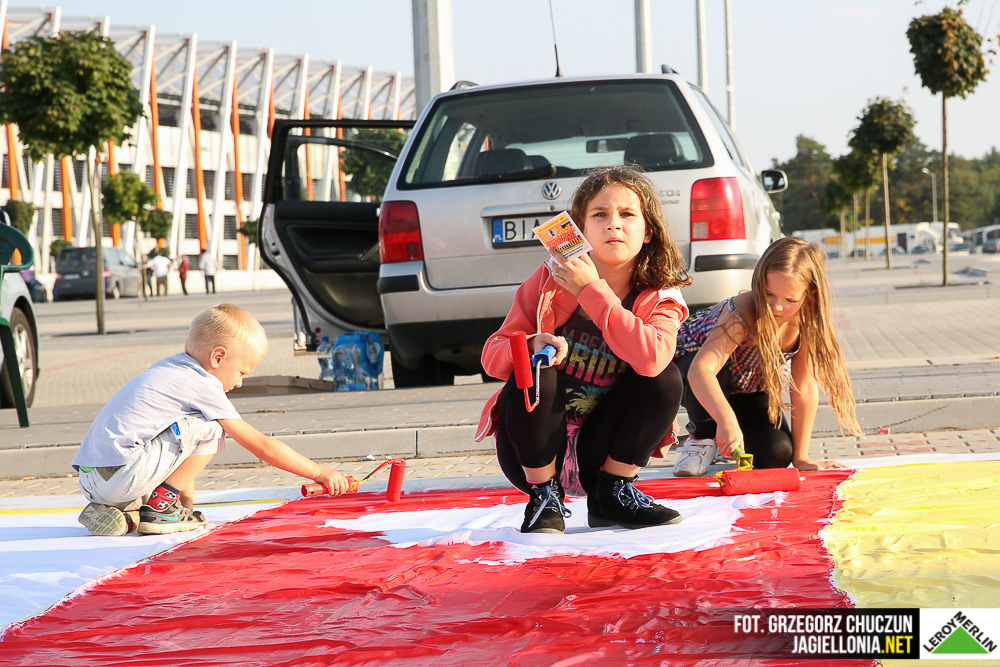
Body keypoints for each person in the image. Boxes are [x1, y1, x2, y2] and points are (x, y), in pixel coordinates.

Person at [478, 165, 691, 534]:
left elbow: (652, 358)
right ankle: (544, 498)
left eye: (627, 214)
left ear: (648, 231)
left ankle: (613, 494)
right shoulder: (548, 279)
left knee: (666, 377)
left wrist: (592, 291)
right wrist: (529, 345)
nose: (613, 225)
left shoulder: (662, 296)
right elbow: (491, 356)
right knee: (536, 366)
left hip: (602, 452)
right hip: (534, 448)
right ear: (580, 229)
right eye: (600, 215)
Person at [72, 303, 350, 536]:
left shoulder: (171, 368)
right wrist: (318, 473)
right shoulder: (202, 384)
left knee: (190, 430)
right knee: (212, 428)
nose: (240, 383)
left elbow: (181, 453)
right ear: (218, 357)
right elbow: (262, 447)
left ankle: (127, 516)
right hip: (122, 476)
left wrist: (186, 511)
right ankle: (160, 510)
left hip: (94, 479)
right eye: (242, 372)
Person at [671, 237, 861, 478]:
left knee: (777, 455)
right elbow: (700, 371)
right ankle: (703, 437)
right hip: (691, 373)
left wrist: (801, 457)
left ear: (809, 295)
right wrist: (726, 420)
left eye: (790, 300)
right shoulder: (741, 314)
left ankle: (725, 439)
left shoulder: (805, 323)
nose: (776, 307)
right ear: (758, 283)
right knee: (714, 373)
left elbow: (804, 388)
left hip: (746, 389)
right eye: (769, 294)